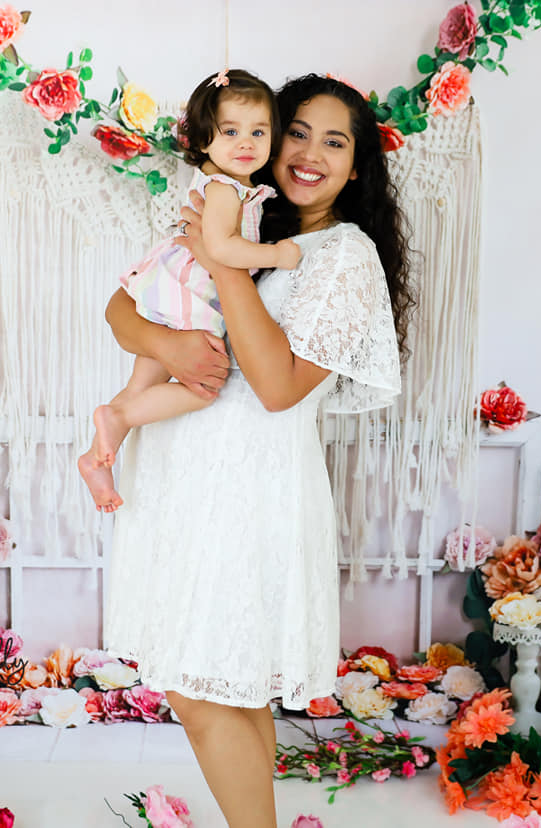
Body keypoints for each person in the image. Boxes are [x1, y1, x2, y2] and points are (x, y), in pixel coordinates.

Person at [103, 74, 414, 828]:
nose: (308, 153)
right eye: (296, 132)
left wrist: (223, 259)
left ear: (357, 166)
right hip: (183, 480)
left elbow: (278, 388)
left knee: (204, 688)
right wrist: (168, 341)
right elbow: (123, 305)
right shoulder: (240, 211)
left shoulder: (340, 254)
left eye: (333, 142)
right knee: (225, 685)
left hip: (249, 492)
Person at [78, 69, 301, 512]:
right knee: (202, 389)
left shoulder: (231, 185)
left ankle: (96, 456)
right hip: (193, 298)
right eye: (231, 132)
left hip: (175, 292)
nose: (246, 143)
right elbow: (219, 248)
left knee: (142, 385)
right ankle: (119, 417)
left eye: (258, 132)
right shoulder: (225, 190)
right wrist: (276, 255)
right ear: (203, 140)